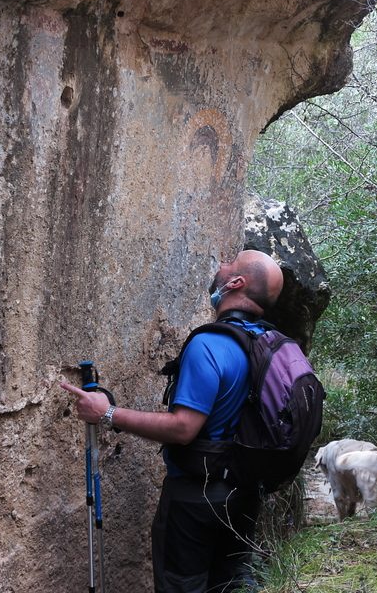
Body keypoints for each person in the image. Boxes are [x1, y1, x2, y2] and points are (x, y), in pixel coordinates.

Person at [61, 249, 284, 592]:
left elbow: (184, 428)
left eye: (230, 262)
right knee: (232, 585)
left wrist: (106, 412)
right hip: (245, 496)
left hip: (197, 500)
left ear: (236, 283)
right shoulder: (269, 345)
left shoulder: (210, 344)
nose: (221, 265)